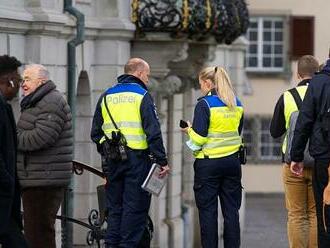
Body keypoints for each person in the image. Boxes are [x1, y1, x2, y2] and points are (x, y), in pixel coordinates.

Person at [91, 58, 170, 248]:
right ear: (140, 73)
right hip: (138, 162)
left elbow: (95, 133)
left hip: (113, 161)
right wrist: (162, 160)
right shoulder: (142, 95)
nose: (148, 80)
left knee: (115, 211)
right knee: (134, 212)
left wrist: (108, 147)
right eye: (147, 76)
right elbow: (153, 132)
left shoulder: (106, 95)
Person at [181, 66, 244, 248]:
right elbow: (236, 132)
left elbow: (200, 138)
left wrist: (188, 130)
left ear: (208, 83)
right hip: (232, 163)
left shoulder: (205, 104)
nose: (201, 87)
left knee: (208, 213)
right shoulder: (236, 103)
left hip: (209, 165)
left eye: (201, 84)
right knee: (231, 212)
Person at [16, 64, 73, 248]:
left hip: (44, 179)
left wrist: (12, 138)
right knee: (36, 232)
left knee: (38, 234)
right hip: (37, 177)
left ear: (42, 81)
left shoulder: (51, 101)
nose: (23, 83)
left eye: (28, 79)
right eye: (23, 79)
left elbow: (41, 138)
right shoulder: (38, 101)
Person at [270, 55, 319, 248]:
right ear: (317, 73)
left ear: (298, 74)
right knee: (316, 213)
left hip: (291, 164)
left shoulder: (287, 96)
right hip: (318, 161)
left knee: (297, 214)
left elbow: (275, 131)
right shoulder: (322, 93)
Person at [290, 56, 330, 248]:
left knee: (324, 213)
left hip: (324, 158)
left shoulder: (319, 82)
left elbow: (304, 121)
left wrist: (296, 156)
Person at [0, 55, 28, 248]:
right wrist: (6, 181)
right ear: (9, 81)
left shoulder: (4, 106)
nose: (19, 85)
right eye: (18, 80)